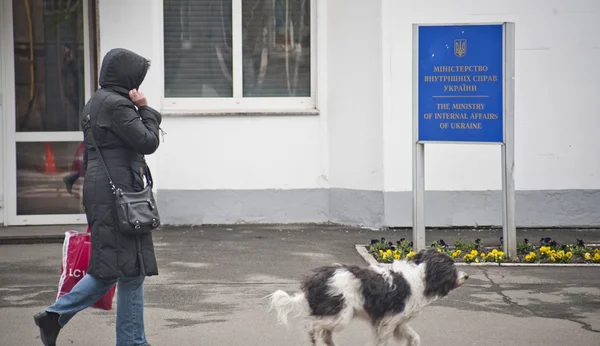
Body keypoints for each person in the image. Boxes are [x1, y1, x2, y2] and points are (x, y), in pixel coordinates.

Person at [33, 48, 162, 346]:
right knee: (125, 269)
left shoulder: (95, 102)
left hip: (105, 194)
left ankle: (59, 317)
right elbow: (148, 141)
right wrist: (146, 109)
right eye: (136, 77)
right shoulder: (119, 106)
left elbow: (97, 151)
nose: (138, 85)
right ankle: (125, 340)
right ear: (125, 75)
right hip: (119, 196)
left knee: (121, 269)